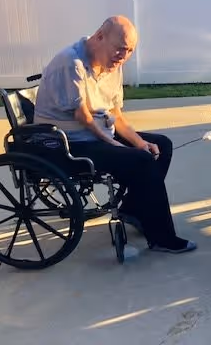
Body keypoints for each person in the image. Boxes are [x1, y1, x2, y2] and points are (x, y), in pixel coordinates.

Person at [33, 16, 197, 254]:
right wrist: (117, 146)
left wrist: (140, 142)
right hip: (67, 143)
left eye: (129, 51)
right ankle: (162, 237)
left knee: (161, 146)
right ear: (100, 37)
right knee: (140, 160)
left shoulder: (112, 65)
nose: (123, 56)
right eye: (120, 49)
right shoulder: (71, 63)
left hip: (95, 133)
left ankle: (133, 209)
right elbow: (83, 117)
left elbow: (116, 115)